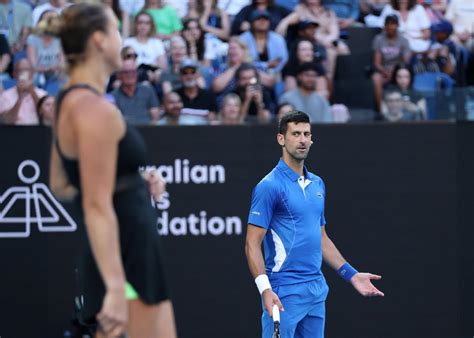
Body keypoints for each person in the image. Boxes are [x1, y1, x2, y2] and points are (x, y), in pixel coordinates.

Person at [48, 3, 176, 337]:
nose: (124, 40)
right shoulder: (94, 110)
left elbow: (62, 184)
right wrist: (117, 288)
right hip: (126, 258)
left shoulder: (68, 99)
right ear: (99, 41)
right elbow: (95, 204)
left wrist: (130, 182)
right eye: (118, 30)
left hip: (123, 254)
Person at [245, 110, 384, 338]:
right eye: (295, 133)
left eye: (306, 134)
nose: (302, 140)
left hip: (316, 290)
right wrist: (265, 289)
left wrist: (351, 275)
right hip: (283, 292)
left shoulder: (317, 183)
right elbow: (252, 244)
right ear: (281, 139)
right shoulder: (268, 187)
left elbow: (320, 237)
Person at [371, 14, 411, 111]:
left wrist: (396, 70)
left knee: (404, 76)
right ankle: (381, 110)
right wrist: (385, 71)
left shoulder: (403, 40)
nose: (390, 27)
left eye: (393, 24)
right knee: (376, 78)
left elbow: (406, 61)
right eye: (388, 24)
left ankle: (405, 107)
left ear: (397, 25)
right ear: (384, 26)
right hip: (384, 71)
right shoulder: (379, 39)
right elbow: (376, 63)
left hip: (398, 70)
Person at [239, 9, 289, 76]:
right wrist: (266, 65)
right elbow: (243, 61)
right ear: (252, 22)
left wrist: (271, 73)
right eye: (258, 19)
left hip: (275, 75)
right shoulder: (243, 38)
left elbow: (283, 60)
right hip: (249, 74)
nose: (262, 22)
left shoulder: (278, 39)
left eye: (265, 19)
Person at [112, 59, 160, 124]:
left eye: (133, 72)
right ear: (119, 75)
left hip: (148, 130)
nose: (130, 75)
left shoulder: (148, 90)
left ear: (137, 73)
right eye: (126, 72)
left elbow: (155, 117)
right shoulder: (113, 97)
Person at [0, 58, 46, 125]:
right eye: (20, 70)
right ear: (14, 74)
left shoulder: (42, 94)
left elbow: (46, 116)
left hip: (36, 131)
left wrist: (32, 92)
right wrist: (20, 98)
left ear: (32, 73)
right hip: (15, 132)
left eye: (27, 70)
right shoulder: (5, 96)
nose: (24, 73)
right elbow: (6, 121)